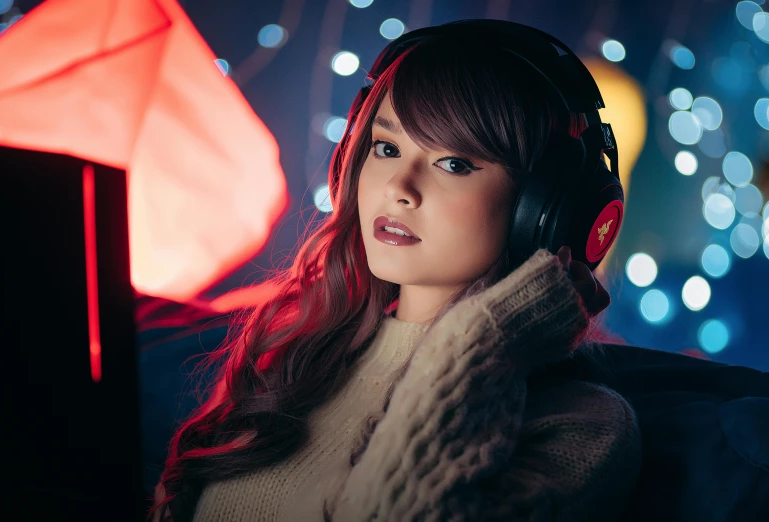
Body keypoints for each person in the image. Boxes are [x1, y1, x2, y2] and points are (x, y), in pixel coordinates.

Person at [150, 19, 641, 522]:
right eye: (387, 148)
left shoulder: (581, 426)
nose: (399, 187)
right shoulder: (293, 355)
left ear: (542, 210)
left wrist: (484, 340)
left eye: (454, 163)